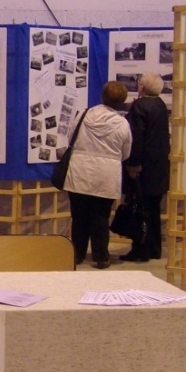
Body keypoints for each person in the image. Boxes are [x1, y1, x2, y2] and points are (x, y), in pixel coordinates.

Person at [64, 81, 132, 269]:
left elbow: (70, 138)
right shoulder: (122, 124)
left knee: (79, 216)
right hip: (106, 175)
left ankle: (76, 254)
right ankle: (101, 256)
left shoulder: (84, 116)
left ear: (102, 96)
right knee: (101, 217)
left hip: (80, 172)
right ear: (121, 102)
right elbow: (126, 152)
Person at [120, 72, 171, 261]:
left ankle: (140, 249)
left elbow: (136, 139)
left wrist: (133, 164)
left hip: (143, 168)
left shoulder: (140, 107)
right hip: (158, 168)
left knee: (140, 209)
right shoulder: (160, 105)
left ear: (141, 87)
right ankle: (154, 248)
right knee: (153, 210)